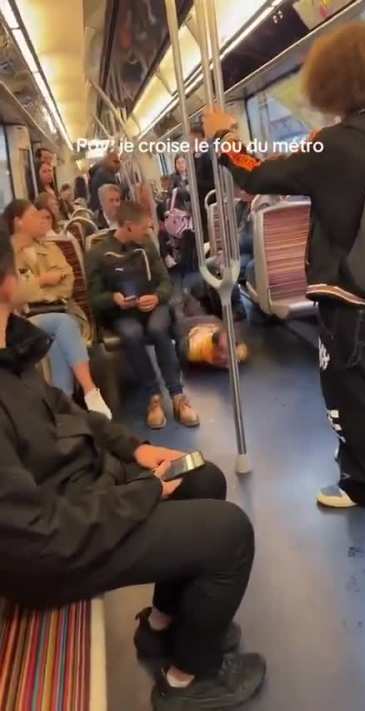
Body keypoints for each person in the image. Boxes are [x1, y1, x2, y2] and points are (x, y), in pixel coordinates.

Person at [0, 231, 266, 710]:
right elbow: (37, 536)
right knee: (231, 534)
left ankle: (162, 626)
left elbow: (70, 413)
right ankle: (188, 681)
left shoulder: (11, 353)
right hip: (54, 553)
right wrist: (142, 493)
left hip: (81, 492)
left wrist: (137, 450)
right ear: (6, 283)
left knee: (202, 478)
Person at [203, 21, 365, 509]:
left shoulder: (331, 144)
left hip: (346, 292)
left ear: (336, 83)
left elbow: (258, 175)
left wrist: (223, 136)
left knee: (346, 389)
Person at [86, 201, 200, 429]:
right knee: (132, 333)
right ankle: (153, 396)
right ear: (128, 226)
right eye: (144, 227)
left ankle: (177, 395)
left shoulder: (147, 246)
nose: (148, 231)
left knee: (158, 329)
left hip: (153, 305)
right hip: (122, 311)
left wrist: (156, 297)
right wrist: (113, 299)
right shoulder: (97, 254)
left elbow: (165, 282)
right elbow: (94, 298)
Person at [2, 199, 110, 417]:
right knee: (62, 324)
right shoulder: (7, 255)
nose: (41, 219)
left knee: (56, 338)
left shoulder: (50, 248)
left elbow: (67, 284)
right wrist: (43, 281)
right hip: (24, 318)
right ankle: (90, 391)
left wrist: (36, 289)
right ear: (19, 221)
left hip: (60, 309)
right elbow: (15, 296)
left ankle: (64, 408)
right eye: (34, 215)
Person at [172, 290, 249, 368]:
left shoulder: (192, 349)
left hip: (191, 329)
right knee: (185, 298)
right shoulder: (235, 348)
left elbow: (178, 328)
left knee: (178, 307)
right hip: (208, 323)